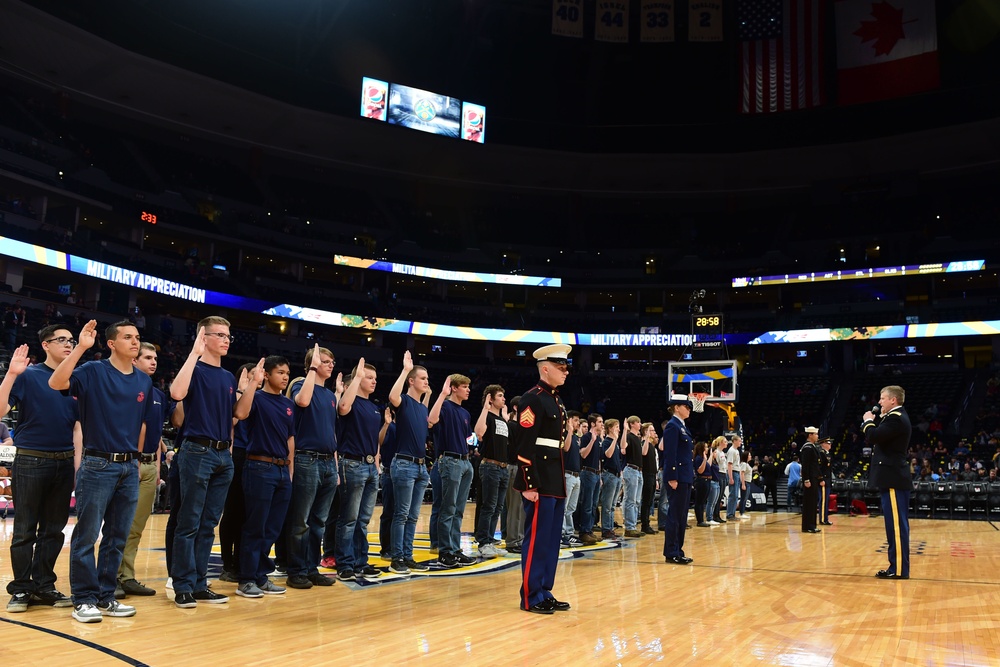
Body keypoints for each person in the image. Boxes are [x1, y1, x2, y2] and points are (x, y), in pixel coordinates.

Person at [48, 320, 154, 623]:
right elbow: (56, 383)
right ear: (111, 343)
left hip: (128, 466)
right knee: (86, 535)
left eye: (137, 337)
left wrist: (135, 460)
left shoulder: (143, 381)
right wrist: (81, 347)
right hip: (97, 464)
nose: (135, 342)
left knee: (117, 536)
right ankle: (83, 599)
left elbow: (140, 424)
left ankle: (106, 596)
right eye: (128, 337)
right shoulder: (93, 371)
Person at [169, 317, 262, 609]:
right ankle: (182, 585)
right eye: (219, 335)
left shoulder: (226, 377)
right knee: (189, 522)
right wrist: (193, 353)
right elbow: (176, 393)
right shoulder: (193, 368)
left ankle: (198, 583)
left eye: (228, 335)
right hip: (197, 450)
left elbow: (240, 414)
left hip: (223, 454)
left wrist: (252, 386)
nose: (226, 340)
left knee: (208, 524)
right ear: (203, 337)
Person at [0, 328, 80, 613]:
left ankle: (44, 585)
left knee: (54, 531)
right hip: (31, 460)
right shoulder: (29, 375)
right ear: (45, 344)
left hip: (64, 461)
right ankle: (21, 588)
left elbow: (78, 428)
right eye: (62, 340)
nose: (69, 344)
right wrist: (11, 374)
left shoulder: (75, 379)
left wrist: (77, 466)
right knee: (24, 530)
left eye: (72, 340)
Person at [513, 343, 572, 614]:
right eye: (561, 368)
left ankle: (544, 590)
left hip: (554, 479)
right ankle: (530, 596)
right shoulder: (533, 398)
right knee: (536, 539)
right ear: (545, 368)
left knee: (550, 539)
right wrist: (529, 483)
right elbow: (524, 445)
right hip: (539, 480)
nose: (566, 372)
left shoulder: (556, 399)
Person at [237, 356, 295, 598]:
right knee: (255, 526)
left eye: (287, 373)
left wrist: (290, 472)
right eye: (280, 372)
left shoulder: (287, 404)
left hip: (282, 470)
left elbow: (291, 439)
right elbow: (240, 412)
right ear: (268, 375)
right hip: (259, 467)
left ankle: (261, 576)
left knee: (272, 528)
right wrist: (252, 383)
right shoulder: (256, 399)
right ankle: (246, 579)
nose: (285, 376)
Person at [116, 342, 169, 598]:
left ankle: (126, 576)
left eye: (155, 357)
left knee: (136, 527)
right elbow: (138, 428)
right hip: (129, 464)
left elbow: (156, 433)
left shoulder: (159, 394)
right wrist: (135, 461)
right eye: (147, 357)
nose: (153, 361)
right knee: (119, 525)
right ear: (134, 361)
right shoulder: (128, 387)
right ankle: (111, 576)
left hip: (150, 465)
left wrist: (157, 466)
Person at [285, 345, 340, 590]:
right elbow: (303, 401)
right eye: (325, 361)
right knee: (301, 521)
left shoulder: (329, 395)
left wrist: (336, 468)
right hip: (307, 459)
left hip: (328, 461)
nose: (330, 365)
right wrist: (313, 368)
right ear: (312, 364)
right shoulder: (300, 386)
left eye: (331, 361)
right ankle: (295, 569)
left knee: (319, 521)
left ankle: (311, 568)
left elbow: (332, 434)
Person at [335, 359, 383, 582]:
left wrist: (376, 462)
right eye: (369, 377)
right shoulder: (350, 401)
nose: (374, 381)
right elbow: (342, 408)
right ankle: (344, 563)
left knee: (363, 520)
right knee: (349, 519)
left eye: (375, 378)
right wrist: (356, 376)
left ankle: (360, 562)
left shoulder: (375, 407)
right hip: (352, 464)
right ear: (358, 379)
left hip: (371, 465)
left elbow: (375, 440)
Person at [386, 352, 432, 574]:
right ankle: (397, 559)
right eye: (422, 378)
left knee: (413, 516)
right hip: (404, 464)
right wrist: (405, 370)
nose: (426, 381)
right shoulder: (403, 401)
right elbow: (392, 396)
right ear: (412, 381)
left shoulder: (423, 408)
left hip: (421, 467)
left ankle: (407, 555)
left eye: (427, 379)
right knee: (402, 514)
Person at [863, 385, 913, 579]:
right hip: (891, 477)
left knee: (897, 527)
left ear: (893, 400)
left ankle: (899, 569)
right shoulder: (892, 418)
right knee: (893, 526)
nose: (879, 402)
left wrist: (868, 421)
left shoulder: (896, 418)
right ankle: (895, 567)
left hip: (893, 478)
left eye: (883, 398)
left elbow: (873, 436)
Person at [428, 374, 476, 568]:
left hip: (465, 462)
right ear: (454, 388)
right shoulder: (445, 406)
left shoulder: (465, 413)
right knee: (447, 509)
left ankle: (455, 549)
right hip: (449, 460)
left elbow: (468, 438)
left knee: (458, 510)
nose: (468, 390)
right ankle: (444, 551)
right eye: (464, 386)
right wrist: (442, 395)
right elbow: (431, 419)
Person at [475, 383, 512, 557]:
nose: (503, 398)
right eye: (499, 396)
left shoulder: (502, 420)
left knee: (497, 507)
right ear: (490, 398)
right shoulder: (487, 416)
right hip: (490, 466)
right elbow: (479, 433)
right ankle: (483, 543)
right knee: (488, 506)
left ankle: (490, 540)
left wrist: (505, 418)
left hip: (503, 468)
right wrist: (485, 408)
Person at [661, 396, 694, 565]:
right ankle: (671, 551)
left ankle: (678, 550)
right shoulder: (673, 426)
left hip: (685, 476)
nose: (689, 409)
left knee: (681, 516)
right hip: (678, 477)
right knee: (674, 515)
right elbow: (670, 454)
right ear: (676, 408)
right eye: (686, 406)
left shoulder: (682, 427)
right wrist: (672, 476)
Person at [576, 414, 603, 545]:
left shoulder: (598, 438)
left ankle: (590, 529)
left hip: (597, 474)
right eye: (599, 422)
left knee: (593, 504)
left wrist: (600, 475)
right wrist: (592, 441)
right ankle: (584, 531)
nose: (601, 424)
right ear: (593, 424)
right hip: (587, 472)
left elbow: (598, 459)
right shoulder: (587, 437)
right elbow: (583, 454)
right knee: (586, 503)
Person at [559, 411, 583, 547]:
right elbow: (566, 448)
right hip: (567, 474)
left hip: (576, 475)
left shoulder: (575, 437)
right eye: (575, 420)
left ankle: (569, 533)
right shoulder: (564, 434)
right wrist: (568, 431)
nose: (578, 423)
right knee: (563, 507)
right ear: (568, 421)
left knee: (571, 508)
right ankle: (561, 535)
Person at [620, 416, 646, 538]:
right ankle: (630, 527)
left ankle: (633, 525)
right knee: (630, 500)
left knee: (636, 501)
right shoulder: (629, 436)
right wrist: (625, 430)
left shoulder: (637, 438)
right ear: (632, 424)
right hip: (631, 469)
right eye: (638, 422)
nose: (640, 424)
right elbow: (623, 446)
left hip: (639, 471)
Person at [799, 427, 822, 533]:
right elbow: (806, 465)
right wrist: (806, 479)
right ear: (810, 435)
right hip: (810, 479)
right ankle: (808, 526)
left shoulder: (812, 447)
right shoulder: (807, 447)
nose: (817, 436)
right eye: (816, 434)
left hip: (814, 478)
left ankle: (812, 525)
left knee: (813, 503)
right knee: (809, 503)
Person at [640, 423, 659, 535]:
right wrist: (646, 438)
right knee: (646, 501)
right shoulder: (644, 443)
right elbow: (644, 453)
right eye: (651, 430)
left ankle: (647, 524)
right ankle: (644, 525)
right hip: (646, 475)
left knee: (650, 501)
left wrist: (656, 479)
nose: (653, 432)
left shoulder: (652, 445)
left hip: (652, 475)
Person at [726, 435, 743, 519]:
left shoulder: (736, 451)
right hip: (733, 472)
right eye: (739, 441)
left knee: (736, 495)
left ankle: (732, 513)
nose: (741, 442)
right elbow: (729, 464)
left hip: (736, 472)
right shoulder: (732, 451)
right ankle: (730, 514)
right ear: (735, 441)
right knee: (733, 494)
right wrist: (730, 477)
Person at [819, 438, 834, 525]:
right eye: (828, 443)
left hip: (827, 480)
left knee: (826, 500)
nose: (830, 445)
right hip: (824, 480)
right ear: (823, 444)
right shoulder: (821, 453)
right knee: (823, 500)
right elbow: (820, 468)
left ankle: (825, 518)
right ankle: (822, 519)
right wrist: (821, 479)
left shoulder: (827, 454)